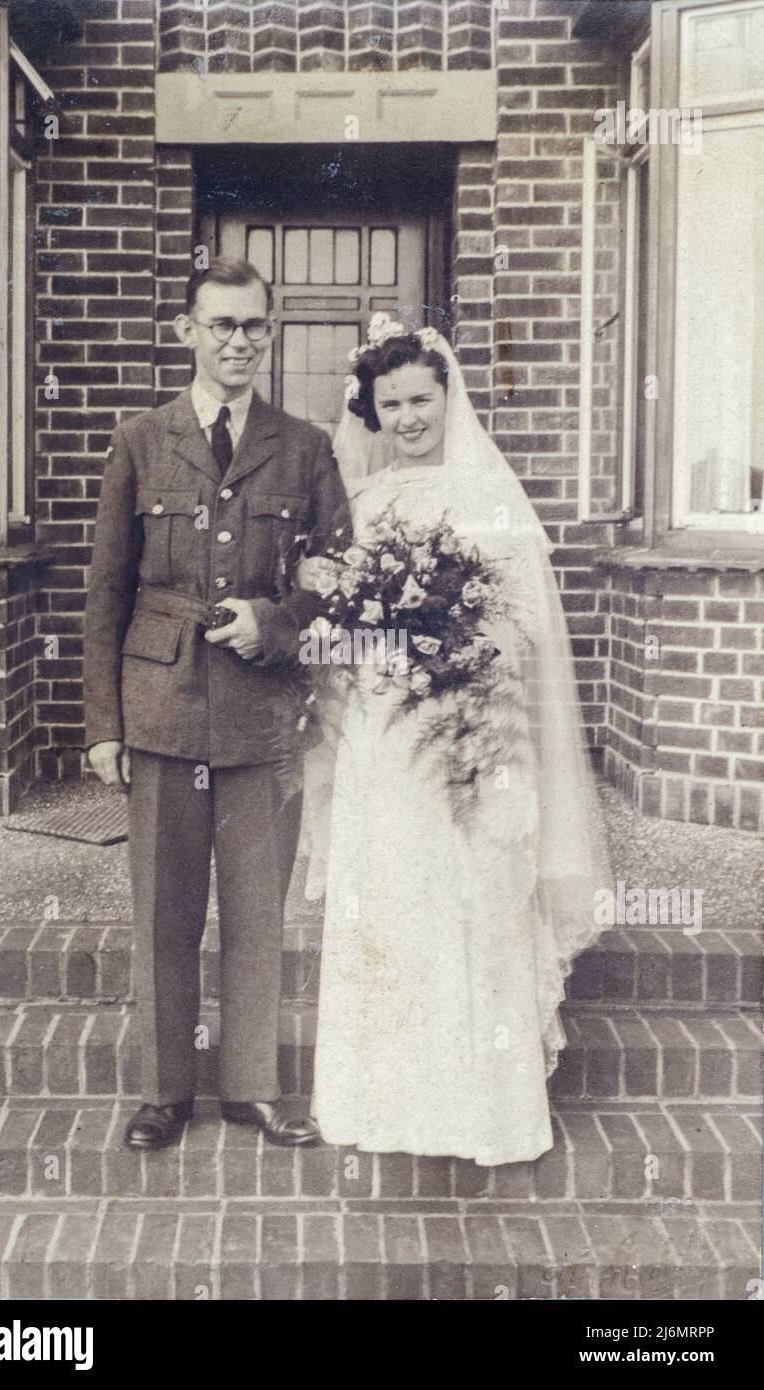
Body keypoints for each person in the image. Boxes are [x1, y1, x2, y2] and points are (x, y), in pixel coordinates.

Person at [302, 316, 611, 1166]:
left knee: (469, 893)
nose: (407, 417)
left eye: (421, 399)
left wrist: (453, 660)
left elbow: (523, 630)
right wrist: (380, 652)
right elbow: (331, 633)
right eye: (390, 403)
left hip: (467, 732)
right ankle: (383, 1098)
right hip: (381, 731)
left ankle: (480, 1109)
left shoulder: (490, 501)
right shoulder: (360, 505)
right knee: (390, 896)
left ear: (448, 397)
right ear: (370, 411)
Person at [83, 257, 350, 1150]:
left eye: (254, 327)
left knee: (254, 911)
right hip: (160, 707)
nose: (239, 343)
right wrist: (103, 727)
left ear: (270, 334)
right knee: (164, 910)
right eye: (222, 325)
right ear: (187, 330)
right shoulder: (140, 439)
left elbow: (342, 583)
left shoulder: (306, 447)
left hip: (262, 717)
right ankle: (164, 1091)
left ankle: (251, 1088)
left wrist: (273, 621)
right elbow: (106, 593)